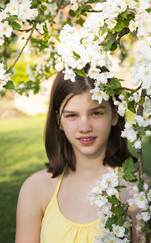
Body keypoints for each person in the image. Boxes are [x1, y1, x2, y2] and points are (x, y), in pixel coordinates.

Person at [15, 65, 139, 243]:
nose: (85, 127)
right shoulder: (35, 189)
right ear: (59, 120)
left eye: (96, 113)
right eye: (72, 115)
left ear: (114, 115)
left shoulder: (135, 190)